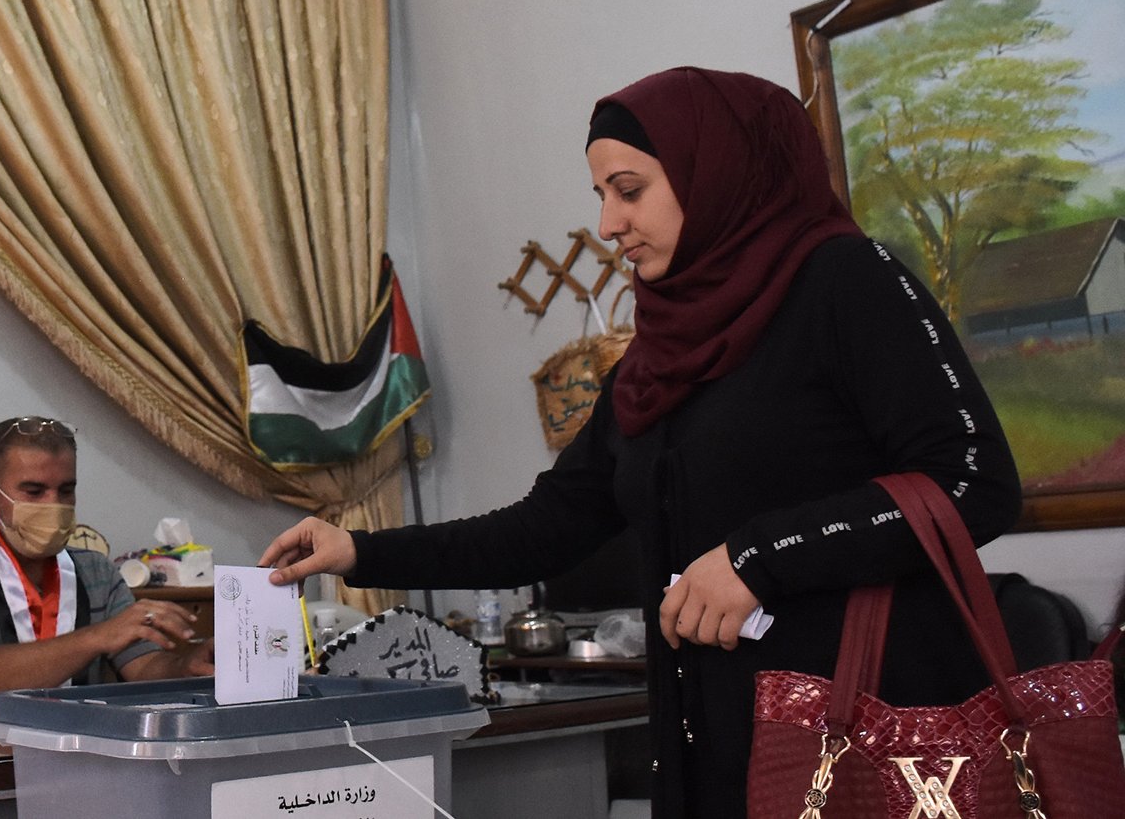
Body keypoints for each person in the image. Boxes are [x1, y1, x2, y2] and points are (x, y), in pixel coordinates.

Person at [259, 67, 1021, 817]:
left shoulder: (847, 280)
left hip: (868, 754)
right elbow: (545, 527)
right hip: (714, 757)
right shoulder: (655, 364)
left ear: (715, 171)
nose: (608, 223)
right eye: (601, 196)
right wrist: (360, 549)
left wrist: (759, 557)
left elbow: (974, 480)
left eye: (630, 190)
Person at [0, 417, 214, 712]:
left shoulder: (97, 572)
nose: (54, 505)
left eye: (66, 490)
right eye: (34, 491)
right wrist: (97, 637)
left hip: (75, 751)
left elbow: (143, 667)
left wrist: (185, 666)